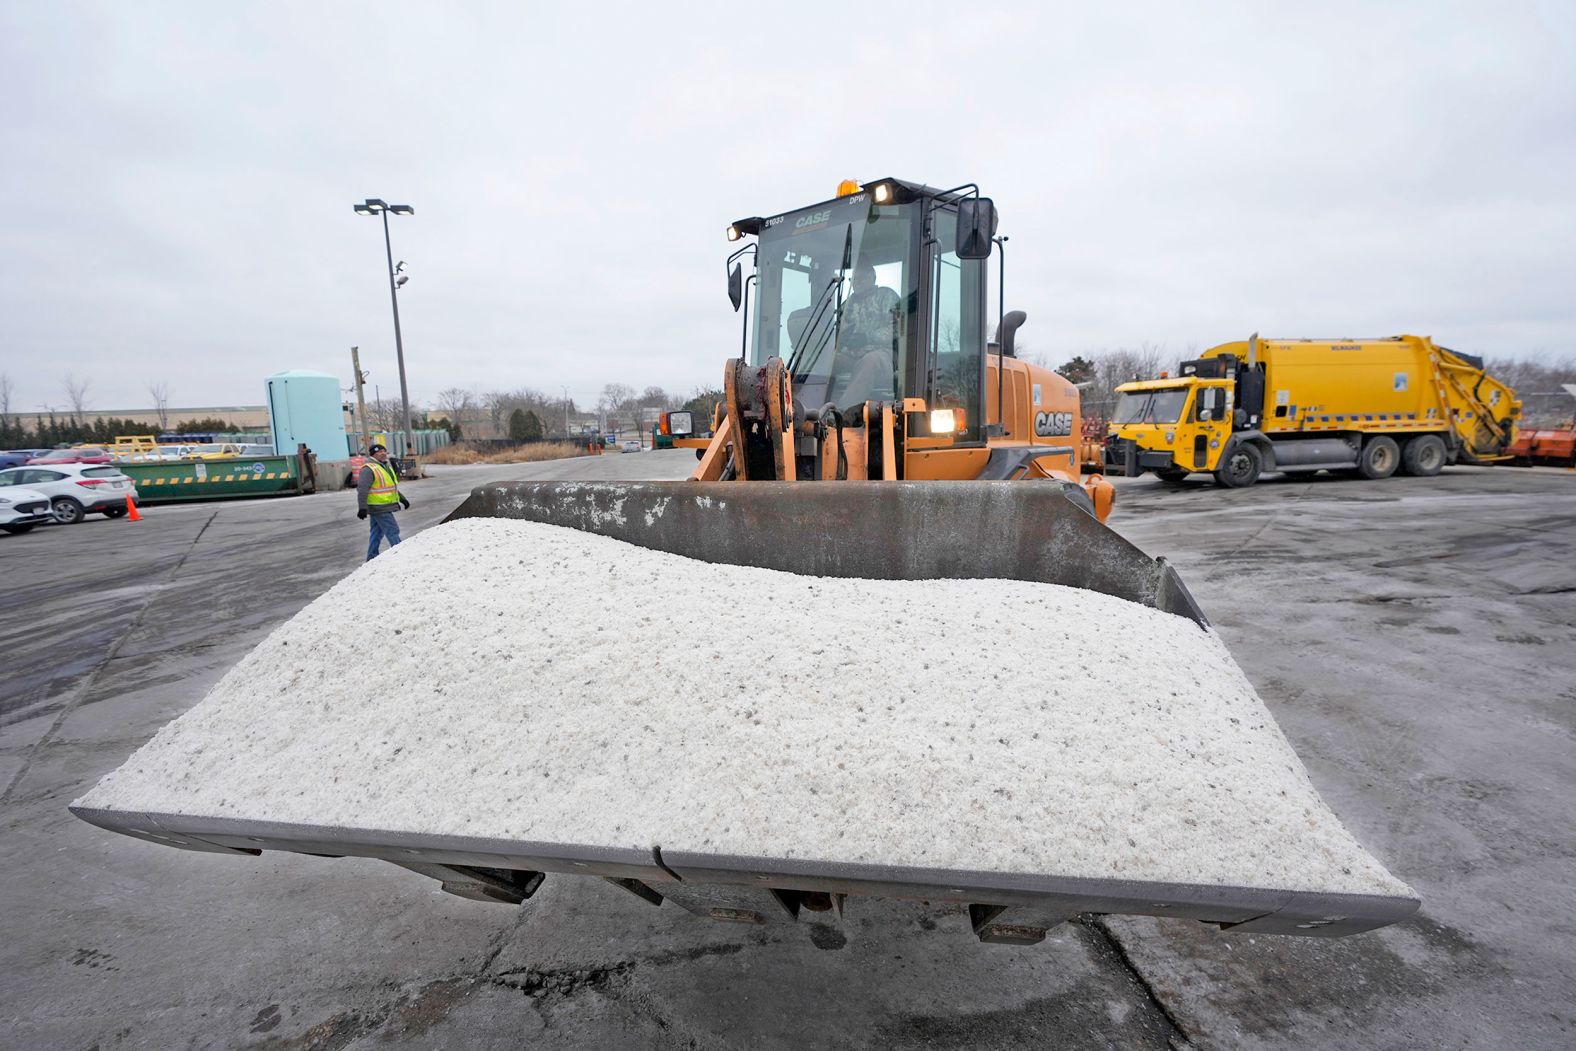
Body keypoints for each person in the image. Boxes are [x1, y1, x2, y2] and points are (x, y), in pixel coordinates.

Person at [832, 259, 901, 404]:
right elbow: (836, 332)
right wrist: (841, 339)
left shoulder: (887, 296)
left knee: (869, 362)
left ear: (873, 277)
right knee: (827, 361)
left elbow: (898, 328)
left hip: (884, 355)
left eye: (861, 278)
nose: (857, 282)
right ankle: (805, 411)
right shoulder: (847, 305)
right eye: (854, 279)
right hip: (852, 356)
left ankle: (841, 413)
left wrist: (867, 337)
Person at [357, 443, 410, 560]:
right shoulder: (368, 469)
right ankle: (401, 556)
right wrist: (362, 508)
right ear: (373, 454)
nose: (383, 453)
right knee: (393, 530)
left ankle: (371, 557)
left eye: (384, 451)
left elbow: (391, 486)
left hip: (383, 506)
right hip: (379, 506)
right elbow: (362, 489)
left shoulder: (384, 467)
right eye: (379, 452)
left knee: (376, 533)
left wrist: (402, 499)